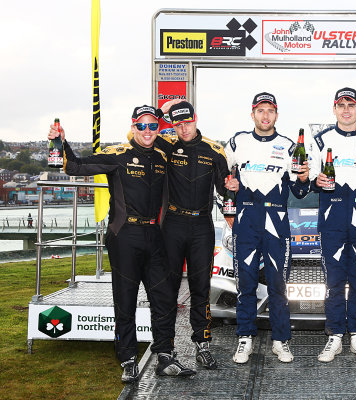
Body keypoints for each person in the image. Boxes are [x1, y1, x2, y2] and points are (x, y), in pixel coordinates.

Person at [48, 105, 195, 383]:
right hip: (124, 236)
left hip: (156, 237)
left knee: (164, 301)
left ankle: (165, 355)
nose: (148, 131)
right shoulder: (117, 154)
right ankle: (128, 359)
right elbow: (75, 166)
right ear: (133, 127)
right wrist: (60, 142)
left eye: (153, 126)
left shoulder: (165, 154)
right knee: (125, 301)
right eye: (142, 126)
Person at [224, 92, 309, 364]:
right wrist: (228, 201)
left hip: (276, 223)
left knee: (278, 286)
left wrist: (304, 176)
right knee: (245, 284)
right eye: (260, 111)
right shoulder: (237, 142)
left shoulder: (288, 146)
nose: (265, 116)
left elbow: (300, 188)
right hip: (246, 223)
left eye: (269, 111)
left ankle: (280, 340)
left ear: (276, 114)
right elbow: (220, 178)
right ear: (252, 114)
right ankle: (245, 339)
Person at [153, 100, 230, 370]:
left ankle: (203, 345)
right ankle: (165, 349)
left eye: (187, 122)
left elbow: (225, 190)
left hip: (202, 227)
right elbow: (134, 135)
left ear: (195, 118)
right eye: (177, 124)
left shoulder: (214, 149)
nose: (183, 128)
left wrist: (232, 186)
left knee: (201, 289)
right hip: (172, 224)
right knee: (167, 290)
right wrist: (161, 112)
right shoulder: (165, 143)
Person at [309, 87, 356, 362]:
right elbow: (311, 178)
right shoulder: (320, 140)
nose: (346, 110)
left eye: (351, 105)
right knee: (334, 280)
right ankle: (335, 336)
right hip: (333, 220)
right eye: (341, 105)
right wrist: (316, 181)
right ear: (334, 109)